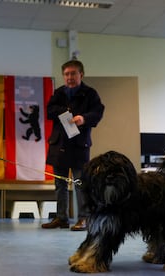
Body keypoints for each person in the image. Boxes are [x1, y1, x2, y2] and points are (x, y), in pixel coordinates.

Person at [42, 59, 104, 231]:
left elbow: (98, 112)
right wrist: (67, 113)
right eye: (66, 74)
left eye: (73, 74)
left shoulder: (90, 93)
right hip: (59, 144)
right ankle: (61, 218)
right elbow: (49, 111)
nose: (69, 77)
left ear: (81, 75)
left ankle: (83, 218)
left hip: (78, 145)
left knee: (80, 184)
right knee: (60, 184)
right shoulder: (59, 93)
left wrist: (83, 119)